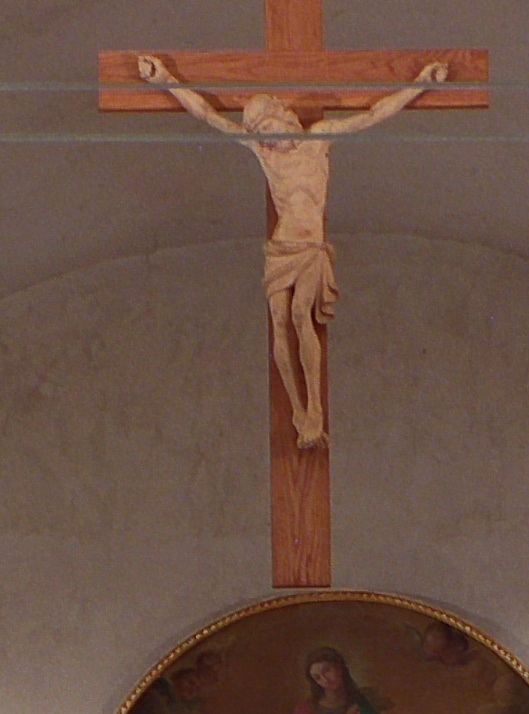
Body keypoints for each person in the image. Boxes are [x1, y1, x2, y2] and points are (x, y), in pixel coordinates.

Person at [132, 54, 453, 448]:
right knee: (279, 324)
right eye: (260, 133)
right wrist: (164, 78)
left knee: (302, 314)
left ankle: (315, 409)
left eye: (269, 127)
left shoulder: (319, 139)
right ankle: (299, 413)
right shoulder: (266, 156)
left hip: (309, 246)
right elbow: (208, 116)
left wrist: (421, 82)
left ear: (286, 117)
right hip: (280, 248)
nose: (268, 137)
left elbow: (374, 114)